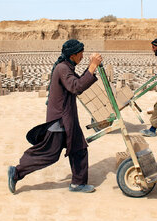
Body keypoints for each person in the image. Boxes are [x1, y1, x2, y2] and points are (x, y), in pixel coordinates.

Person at [8, 39, 102, 194]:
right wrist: (92, 66)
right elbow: (76, 87)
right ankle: (16, 172)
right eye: (81, 53)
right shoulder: (62, 68)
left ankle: (78, 183)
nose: (83, 56)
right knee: (49, 154)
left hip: (68, 118)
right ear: (73, 55)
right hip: (60, 120)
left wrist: (91, 68)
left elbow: (78, 81)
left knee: (79, 148)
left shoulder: (67, 67)